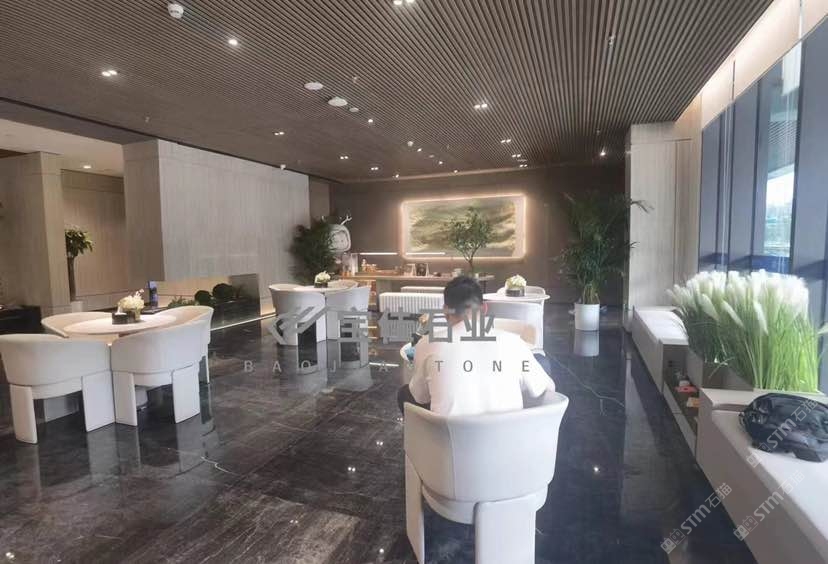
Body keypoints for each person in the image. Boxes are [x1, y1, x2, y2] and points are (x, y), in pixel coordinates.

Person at [397, 276, 555, 416]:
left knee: (404, 393)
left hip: (448, 439)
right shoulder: (514, 343)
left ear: (445, 311)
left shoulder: (427, 343)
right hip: (509, 436)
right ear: (484, 308)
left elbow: (420, 397)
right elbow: (549, 388)